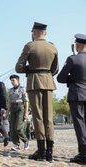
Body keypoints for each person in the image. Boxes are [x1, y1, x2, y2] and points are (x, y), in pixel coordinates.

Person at [15, 22, 58, 162]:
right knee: (48, 118)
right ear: (45, 33)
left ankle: (41, 152)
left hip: (34, 82)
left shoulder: (30, 46)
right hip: (48, 81)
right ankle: (50, 153)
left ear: (34, 32)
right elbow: (55, 69)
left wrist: (28, 69)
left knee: (38, 116)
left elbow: (18, 67)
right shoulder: (52, 47)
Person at [57, 34, 86, 165]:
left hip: (77, 94)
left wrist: (72, 79)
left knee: (80, 124)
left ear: (77, 45)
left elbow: (61, 78)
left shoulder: (73, 59)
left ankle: (84, 154)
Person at [8, 75, 29, 151]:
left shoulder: (22, 89)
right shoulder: (10, 90)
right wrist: (7, 112)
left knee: (18, 128)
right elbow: (9, 101)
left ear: (17, 80)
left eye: (13, 80)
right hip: (13, 108)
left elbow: (26, 101)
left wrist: (26, 113)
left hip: (20, 107)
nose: (12, 82)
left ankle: (26, 141)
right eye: (11, 81)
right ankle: (16, 145)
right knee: (13, 128)